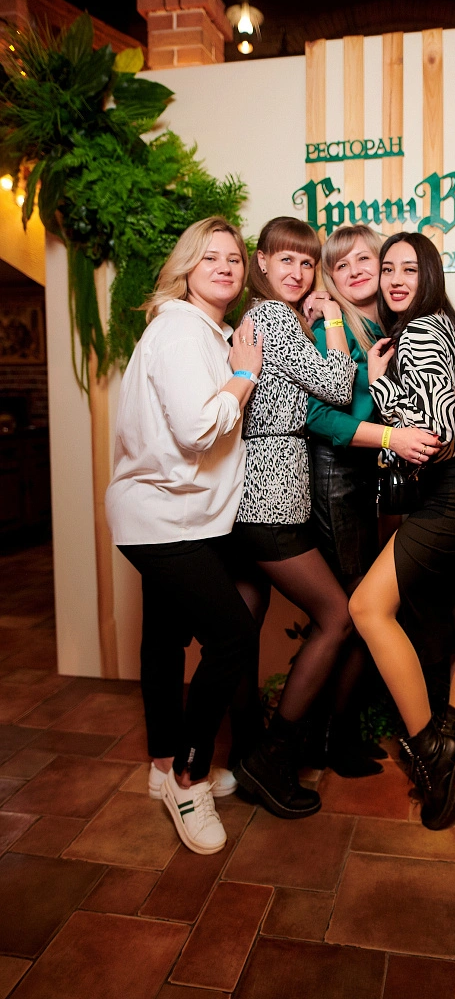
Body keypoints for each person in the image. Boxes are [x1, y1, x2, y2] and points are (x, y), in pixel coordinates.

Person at [105, 216, 262, 855]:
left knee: (165, 640)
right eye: (209, 257)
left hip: (177, 515)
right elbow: (198, 430)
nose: (224, 266)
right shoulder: (179, 330)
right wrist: (245, 374)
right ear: (186, 268)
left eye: (233, 258)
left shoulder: (206, 331)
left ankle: (163, 764)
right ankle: (189, 779)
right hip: (163, 518)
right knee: (233, 636)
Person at [349, 231, 455, 830]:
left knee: (366, 608)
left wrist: (379, 383)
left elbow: (430, 435)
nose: (396, 280)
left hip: (449, 494)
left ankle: (430, 749)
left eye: (410, 269)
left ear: (429, 275)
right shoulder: (442, 326)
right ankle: (447, 743)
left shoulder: (424, 331)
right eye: (389, 269)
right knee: (446, 618)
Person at [232, 216, 359, 819]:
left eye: (308, 263)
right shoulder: (277, 318)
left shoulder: (256, 317)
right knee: (336, 617)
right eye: (287, 260)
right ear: (261, 262)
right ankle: (272, 757)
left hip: (250, 490)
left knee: (241, 628)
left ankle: (245, 750)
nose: (299, 272)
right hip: (271, 495)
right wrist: (331, 319)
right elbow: (336, 386)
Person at [304, 225, 441, 775]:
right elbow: (318, 416)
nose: (356, 271)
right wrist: (391, 437)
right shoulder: (328, 328)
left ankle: (335, 733)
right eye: (341, 265)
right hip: (335, 477)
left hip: (364, 479)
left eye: (366, 259)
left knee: (364, 609)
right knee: (355, 610)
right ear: (331, 278)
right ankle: (326, 740)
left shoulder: (385, 324)